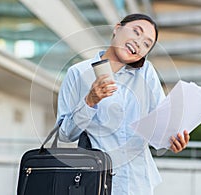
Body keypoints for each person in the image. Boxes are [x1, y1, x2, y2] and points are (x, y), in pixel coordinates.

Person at [56, 13, 190, 195]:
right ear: (117, 28)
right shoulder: (78, 73)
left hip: (138, 184)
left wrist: (173, 139)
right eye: (136, 32)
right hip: (96, 182)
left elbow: (161, 121)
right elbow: (65, 135)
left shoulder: (146, 73)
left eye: (146, 44)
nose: (138, 43)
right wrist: (89, 102)